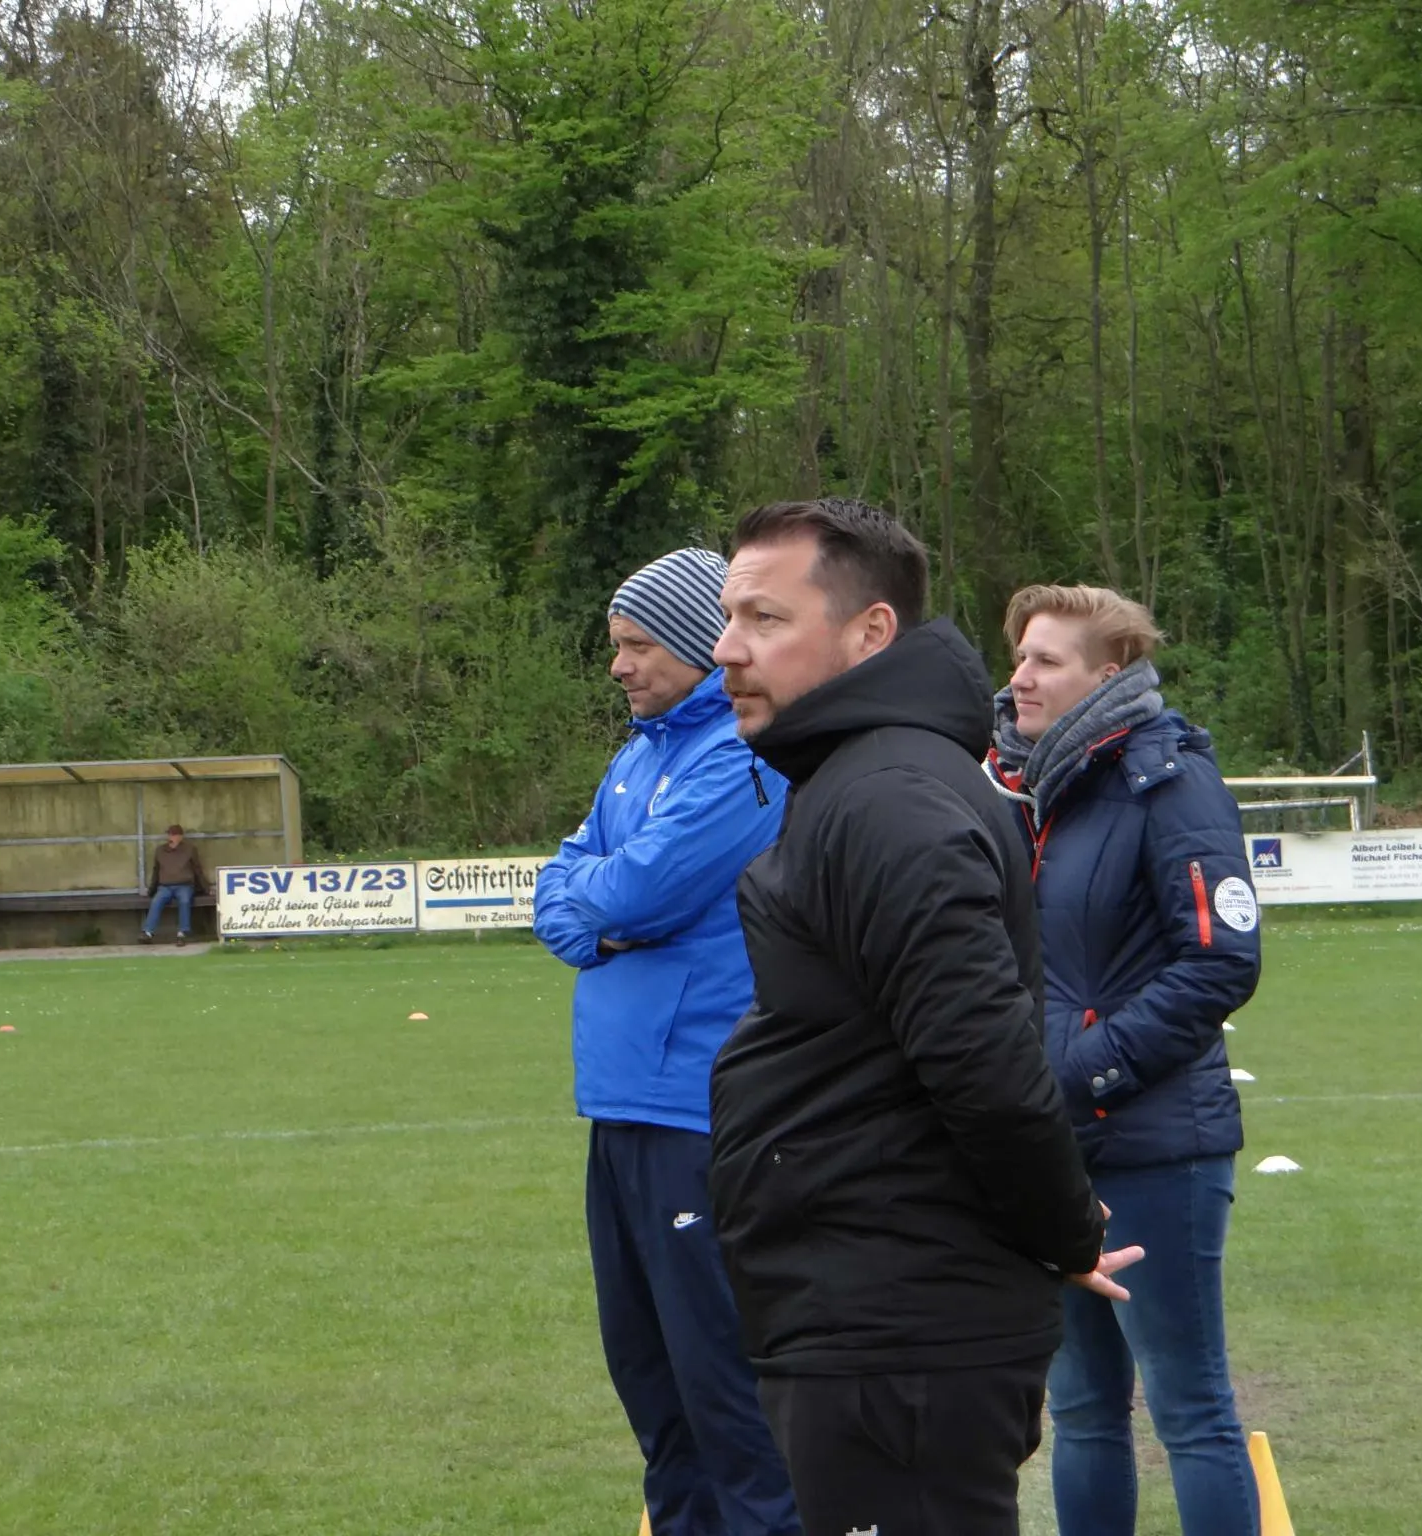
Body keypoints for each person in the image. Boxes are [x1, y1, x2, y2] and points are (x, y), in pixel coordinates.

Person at [705, 498, 1141, 1536]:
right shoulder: (854, 780)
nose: (726, 649)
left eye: (765, 619)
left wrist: (1061, 1227)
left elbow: (984, 1064)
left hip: (897, 1330)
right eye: (727, 619)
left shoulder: (888, 799)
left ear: (870, 633)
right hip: (866, 1309)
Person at [531, 548, 800, 1536]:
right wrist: (595, 914)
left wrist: (600, 911)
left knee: (726, 1401)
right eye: (616, 645)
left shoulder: (741, 757)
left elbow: (636, 892)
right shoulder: (637, 755)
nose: (619, 666)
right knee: (655, 1397)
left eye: (638, 645)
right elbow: (558, 891)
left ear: (695, 644)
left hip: (698, 1109)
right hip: (618, 1104)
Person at [988, 584, 1263, 1536]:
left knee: (1190, 1409)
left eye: (1046, 661)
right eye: (1019, 657)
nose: (1019, 678)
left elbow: (1221, 961)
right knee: (1080, 1412)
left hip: (1156, 1146)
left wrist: (1081, 1072)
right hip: (1045, 1146)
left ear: (1109, 674)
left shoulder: (1172, 781)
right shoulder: (1016, 787)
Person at [141, 824, 207, 944]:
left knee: (184, 900)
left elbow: (197, 869)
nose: (171, 837)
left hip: (184, 885)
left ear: (180, 837)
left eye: (174, 835)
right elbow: (156, 871)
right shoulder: (160, 851)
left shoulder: (190, 849)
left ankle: (182, 933)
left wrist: (205, 888)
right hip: (165, 886)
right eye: (170, 835)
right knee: (156, 901)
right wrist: (151, 890)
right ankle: (148, 932)